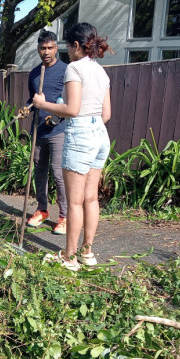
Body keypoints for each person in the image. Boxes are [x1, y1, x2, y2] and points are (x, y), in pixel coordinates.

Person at [33, 23, 112, 270]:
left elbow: (72, 109)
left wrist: (42, 104)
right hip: (100, 135)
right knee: (91, 198)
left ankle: (69, 257)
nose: (67, 52)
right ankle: (87, 253)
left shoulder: (74, 68)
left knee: (75, 202)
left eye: (67, 47)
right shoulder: (101, 71)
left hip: (80, 135)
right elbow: (106, 114)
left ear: (76, 45)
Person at [19, 30, 68, 235]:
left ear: (56, 48)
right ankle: (42, 210)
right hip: (38, 130)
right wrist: (26, 108)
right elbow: (33, 99)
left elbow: (70, 102)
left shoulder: (66, 71)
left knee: (58, 173)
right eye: (42, 48)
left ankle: (65, 216)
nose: (46, 52)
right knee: (39, 172)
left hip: (58, 130)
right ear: (38, 49)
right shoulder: (34, 73)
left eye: (50, 48)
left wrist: (56, 117)